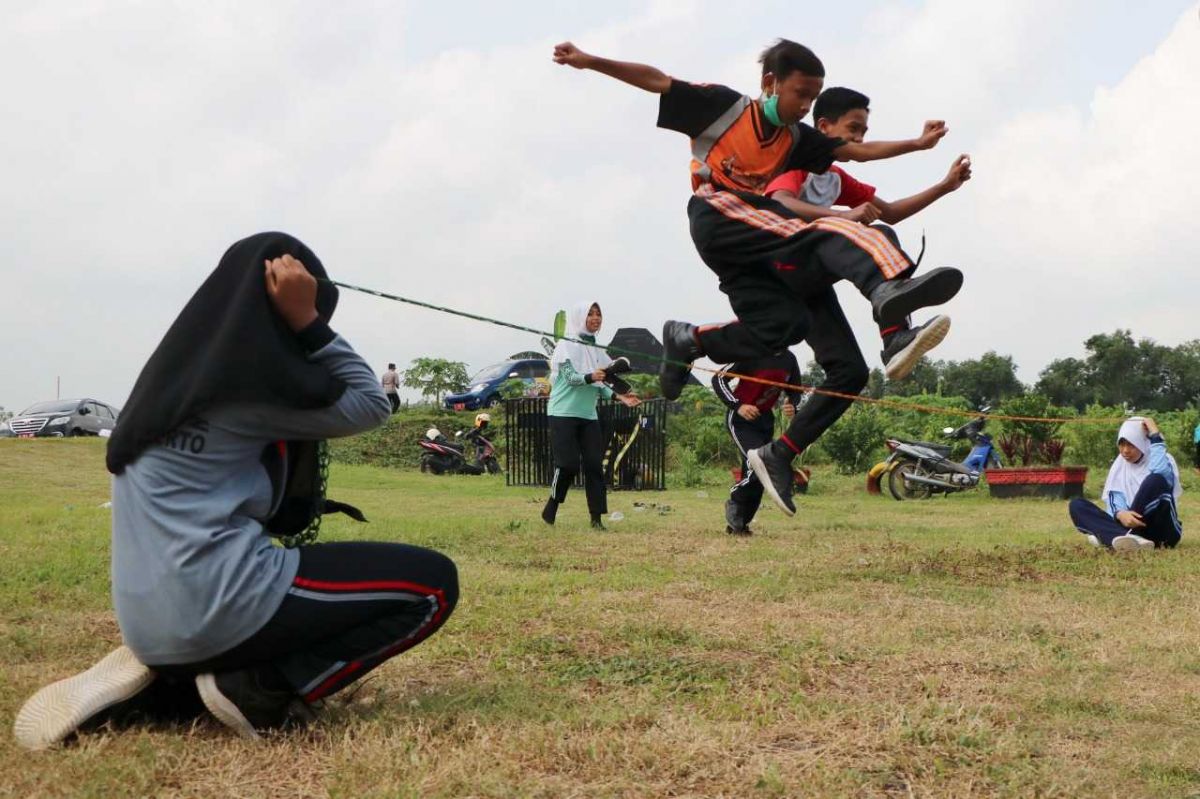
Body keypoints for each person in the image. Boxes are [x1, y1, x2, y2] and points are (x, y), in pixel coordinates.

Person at [14, 233, 459, 749]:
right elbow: (371, 404)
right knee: (432, 585)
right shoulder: (248, 388)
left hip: (145, 626)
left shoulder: (165, 389)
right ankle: (256, 687)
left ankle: (179, 683)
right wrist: (308, 323)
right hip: (216, 606)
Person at [552, 38, 962, 518]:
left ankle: (712, 366)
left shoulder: (798, 140)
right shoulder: (724, 107)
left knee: (805, 341)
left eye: (812, 99)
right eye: (800, 95)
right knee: (830, 226)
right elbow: (657, 80)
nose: (804, 107)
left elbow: (858, 153)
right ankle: (890, 303)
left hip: (757, 256)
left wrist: (918, 144)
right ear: (770, 83)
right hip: (719, 215)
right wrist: (590, 61)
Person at [765, 86, 973, 380]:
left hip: (810, 272)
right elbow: (781, 202)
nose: (859, 138)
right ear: (824, 126)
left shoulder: (835, 178)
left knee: (849, 374)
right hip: (781, 261)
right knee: (849, 229)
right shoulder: (798, 161)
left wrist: (944, 186)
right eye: (853, 128)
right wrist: (843, 215)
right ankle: (888, 296)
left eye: (864, 131)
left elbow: (891, 212)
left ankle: (894, 338)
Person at [543, 301, 640, 530]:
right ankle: (552, 505)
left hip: (588, 415)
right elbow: (570, 377)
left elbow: (601, 383)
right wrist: (590, 377)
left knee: (594, 465)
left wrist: (620, 397)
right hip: (562, 413)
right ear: (580, 317)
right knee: (567, 465)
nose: (596, 318)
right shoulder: (566, 345)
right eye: (590, 314)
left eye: (598, 314)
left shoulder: (596, 349)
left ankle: (596, 518)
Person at [712, 350, 803, 534]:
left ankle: (740, 525)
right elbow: (718, 379)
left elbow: (795, 392)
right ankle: (735, 502)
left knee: (762, 474)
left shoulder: (789, 359)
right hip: (740, 421)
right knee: (758, 466)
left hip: (764, 421)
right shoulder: (752, 351)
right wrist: (738, 406)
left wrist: (793, 405)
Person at [1068, 416, 1182, 551]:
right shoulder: (1119, 467)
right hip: (1129, 528)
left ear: (1142, 442)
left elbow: (1160, 474)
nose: (1125, 451)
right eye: (1121, 444)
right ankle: (1129, 540)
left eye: (1131, 445)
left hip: (1162, 533)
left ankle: (1108, 537)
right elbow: (1114, 501)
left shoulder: (1163, 459)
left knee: (1154, 479)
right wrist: (1120, 514)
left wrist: (1155, 436)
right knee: (1077, 505)